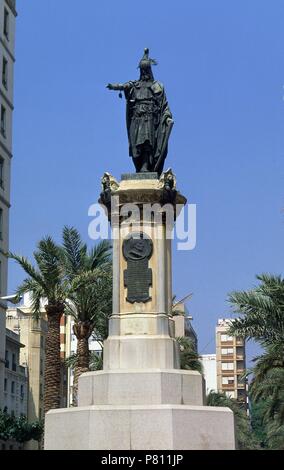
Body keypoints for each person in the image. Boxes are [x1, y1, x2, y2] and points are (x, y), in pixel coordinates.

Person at [107, 48, 174, 175]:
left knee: (147, 142)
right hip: (137, 118)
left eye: (146, 70)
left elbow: (164, 105)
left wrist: (167, 117)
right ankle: (140, 166)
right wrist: (115, 87)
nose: (144, 72)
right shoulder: (135, 85)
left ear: (149, 70)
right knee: (137, 143)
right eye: (142, 70)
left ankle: (146, 166)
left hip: (150, 117)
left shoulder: (156, 86)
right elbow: (124, 86)